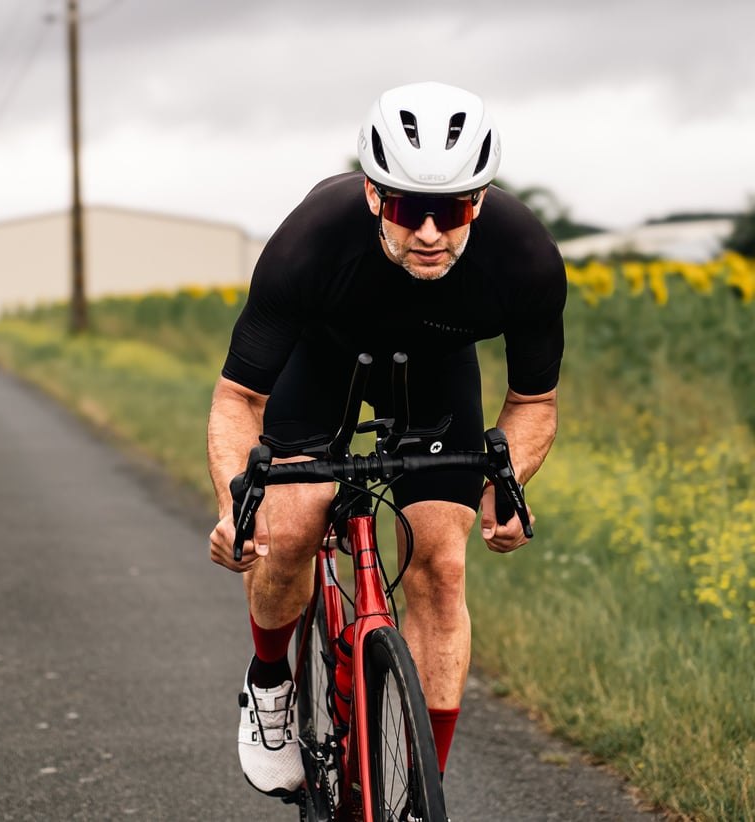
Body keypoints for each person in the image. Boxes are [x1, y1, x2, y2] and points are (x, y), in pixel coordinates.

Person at [207, 81, 566, 811]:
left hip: (435, 377)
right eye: (409, 209)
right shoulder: (312, 240)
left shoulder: (524, 256)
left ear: (482, 201)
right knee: (292, 528)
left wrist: (509, 486)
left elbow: (533, 404)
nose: (431, 233)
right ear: (374, 196)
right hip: (325, 363)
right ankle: (271, 683)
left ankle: (418, 790)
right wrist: (235, 508)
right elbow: (239, 398)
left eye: (454, 209)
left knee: (441, 567)